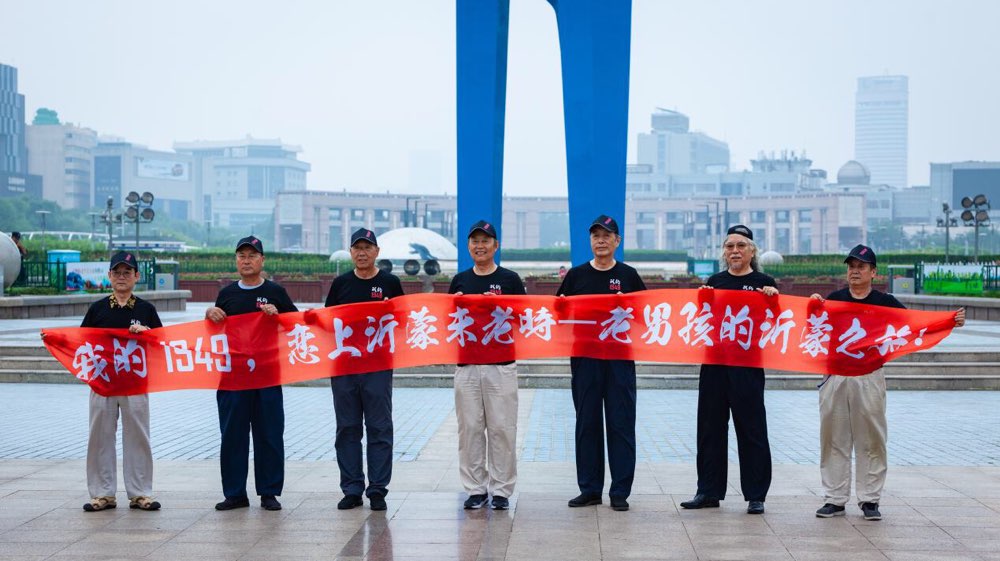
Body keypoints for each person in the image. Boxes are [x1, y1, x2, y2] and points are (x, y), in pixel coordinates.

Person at [811, 244, 965, 521]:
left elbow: (915, 325)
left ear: (873, 272)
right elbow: (811, 326)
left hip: (869, 376)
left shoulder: (886, 303)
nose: (855, 271)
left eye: (861, 267)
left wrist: (948, 321)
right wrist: (812, 306)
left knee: (871, 439)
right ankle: (834, 499)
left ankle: (870, 500)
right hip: (835, 376)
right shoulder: (834, 299)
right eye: (851, 266)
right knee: (834, 437)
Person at [681, 224, 778, 515]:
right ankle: (708, 491)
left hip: (747, 366)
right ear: (724, 252)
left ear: (751, 251)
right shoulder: (715, 281)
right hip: (714, 365)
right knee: (709, 428)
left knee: (752, 430)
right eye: (729, 246)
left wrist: (773, 300)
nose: (734, 251)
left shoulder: (764, 282)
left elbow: (776, 324)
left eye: (740, 246)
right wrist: (703, 299)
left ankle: (756, 494)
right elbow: (703, 321)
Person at [557, 215, 646, 512]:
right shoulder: (576, 276)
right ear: (590, 241)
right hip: (585, 360)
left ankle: (620, 491)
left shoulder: (630, 276)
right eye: (596, 235)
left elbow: (646, 317)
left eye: (607, 235)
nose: (601, 240)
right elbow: (559, 314)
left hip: (619, 360)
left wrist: (628, 305)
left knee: (621, 424)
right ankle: (590, 488)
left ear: (617, 241)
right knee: (587, 424)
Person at [205, 236, 297, 511]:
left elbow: (295, 326)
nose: (246, 260)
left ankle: (269, 492)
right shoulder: (227, 294)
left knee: (269, 433)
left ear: (262, 260)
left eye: (252, 255)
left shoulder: (276, 292)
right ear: (236, 260)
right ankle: (235, 493)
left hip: (268, 376)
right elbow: (213, 333)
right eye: (241, 256)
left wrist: (278, 314)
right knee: (233, 435)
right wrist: (210, 313)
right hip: (233, 378)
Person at [448, 219, 526, 511]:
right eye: (474, 242)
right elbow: (448, 323)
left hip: (500, 365)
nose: (479, 246)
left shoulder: (510, 280)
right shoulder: (460, 281)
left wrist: (503, 304)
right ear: (469, 246)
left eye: (485, 241)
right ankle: (475, 489)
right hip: (467, 365)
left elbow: (526, 319)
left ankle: (502, 490)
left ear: (496, 246)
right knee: (469, 428)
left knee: (502, 428)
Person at [325, 228, 404, 512]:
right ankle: (352, 488)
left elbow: (402, 322)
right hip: (345, 367)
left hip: (377, 367)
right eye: (357, 248)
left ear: (377, 252)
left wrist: (390, 311)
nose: (362, 253)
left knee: (379, 427)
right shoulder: (340, 284)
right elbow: (326, 323)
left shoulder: (390, 283)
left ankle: (378, 489)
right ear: (351, 252)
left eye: (367, 248)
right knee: (347, 428)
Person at [79, 251, 162, 512]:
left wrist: (146, 334)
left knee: (138, 436)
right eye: (117, 272)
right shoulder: (98, 309)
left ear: (137, 276)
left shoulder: (146, 310)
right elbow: (81, 342)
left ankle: (141, 494)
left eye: (128, 272)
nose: (122, 277)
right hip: (103, 383)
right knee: (100, 437)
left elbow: (160, 345)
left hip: (136, 383)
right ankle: (102, 494)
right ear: (109, 276)